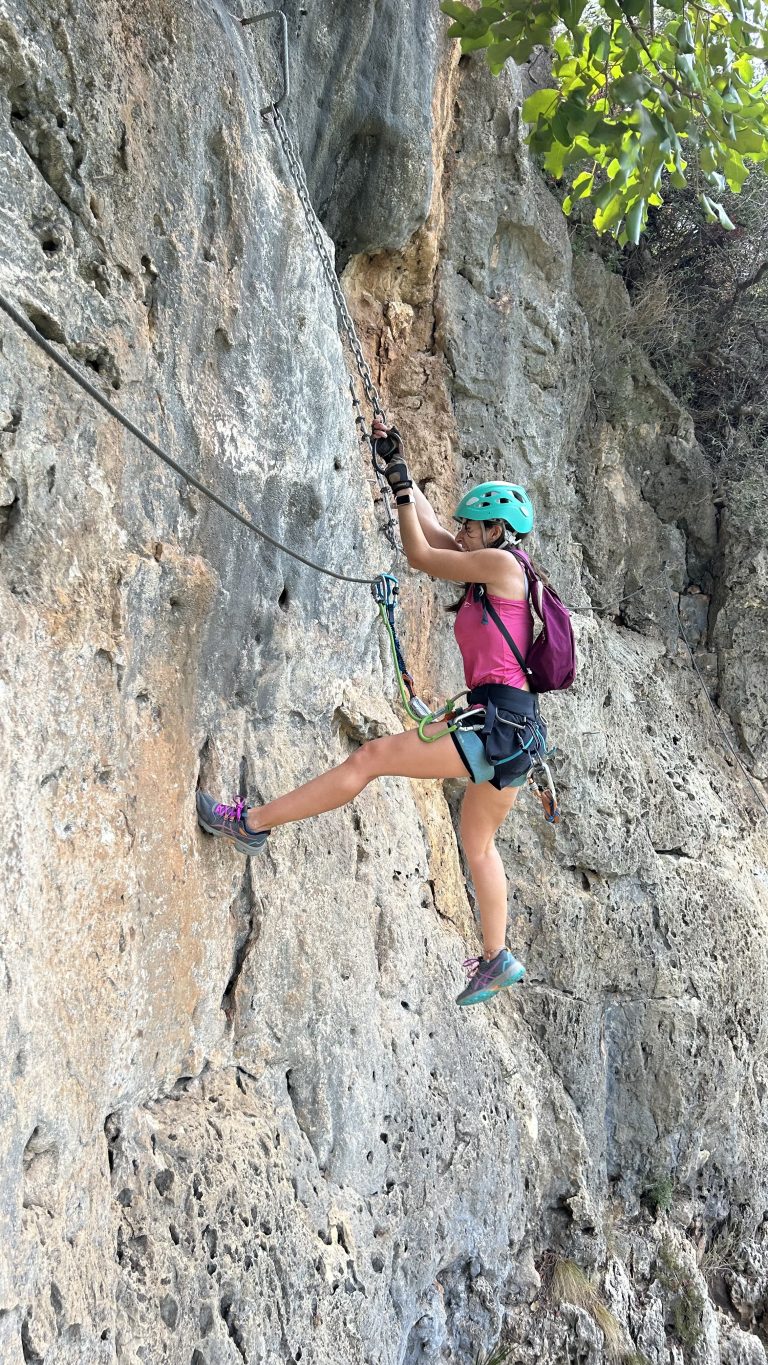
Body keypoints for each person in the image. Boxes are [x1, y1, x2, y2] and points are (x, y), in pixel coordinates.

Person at [196, 420, 550, 1007]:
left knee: (370, 759)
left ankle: (250, 824)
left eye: (472, 526)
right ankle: (496, 956)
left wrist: (404, 487)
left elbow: (420, 552)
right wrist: (397, 466)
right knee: (479, 843)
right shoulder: (496, 567)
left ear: (497, 531)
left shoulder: (502, 567)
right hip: (516, 731)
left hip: (497, 725)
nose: (463, 533)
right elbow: (435, 533)